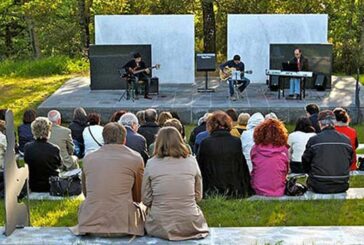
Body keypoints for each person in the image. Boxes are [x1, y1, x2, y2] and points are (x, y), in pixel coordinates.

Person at [73, 123, 144, 236]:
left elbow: (87, 193)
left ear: (103, 139)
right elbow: (138, 196)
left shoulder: (88, 159)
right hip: (124, 226)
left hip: (90, 224)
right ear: (124, 139)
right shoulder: (136, 158)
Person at [142, 127, 209, 240]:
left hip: (159, 225)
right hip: (190, 223)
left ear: (158, 142)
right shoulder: (192, 161)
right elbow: (198, 196)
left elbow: (146, 199)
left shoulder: (151, 163)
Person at [197, 111, 253, 198]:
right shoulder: (236, 141)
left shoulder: (206, 143)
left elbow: (200, 167)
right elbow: (242, 167)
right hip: (233, 190)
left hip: (211, 190)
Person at [302, 110, 353, 194]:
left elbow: (305, 161)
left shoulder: (314, 140)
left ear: (320, 123)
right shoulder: (346, 140)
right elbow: (350, 161)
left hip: (318, 185)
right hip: (341, 185)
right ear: (334, 122)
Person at [250, 119, 290, 197]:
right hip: (279, 190)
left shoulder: (255, 149)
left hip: (258, 189)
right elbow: (286, 170)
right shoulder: (284, 150)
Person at [24, 117, 61, 192]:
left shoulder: (27, 147)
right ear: (48, 131)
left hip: (33, 185)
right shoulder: (54, 148)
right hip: (51, 185)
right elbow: (59, 164)